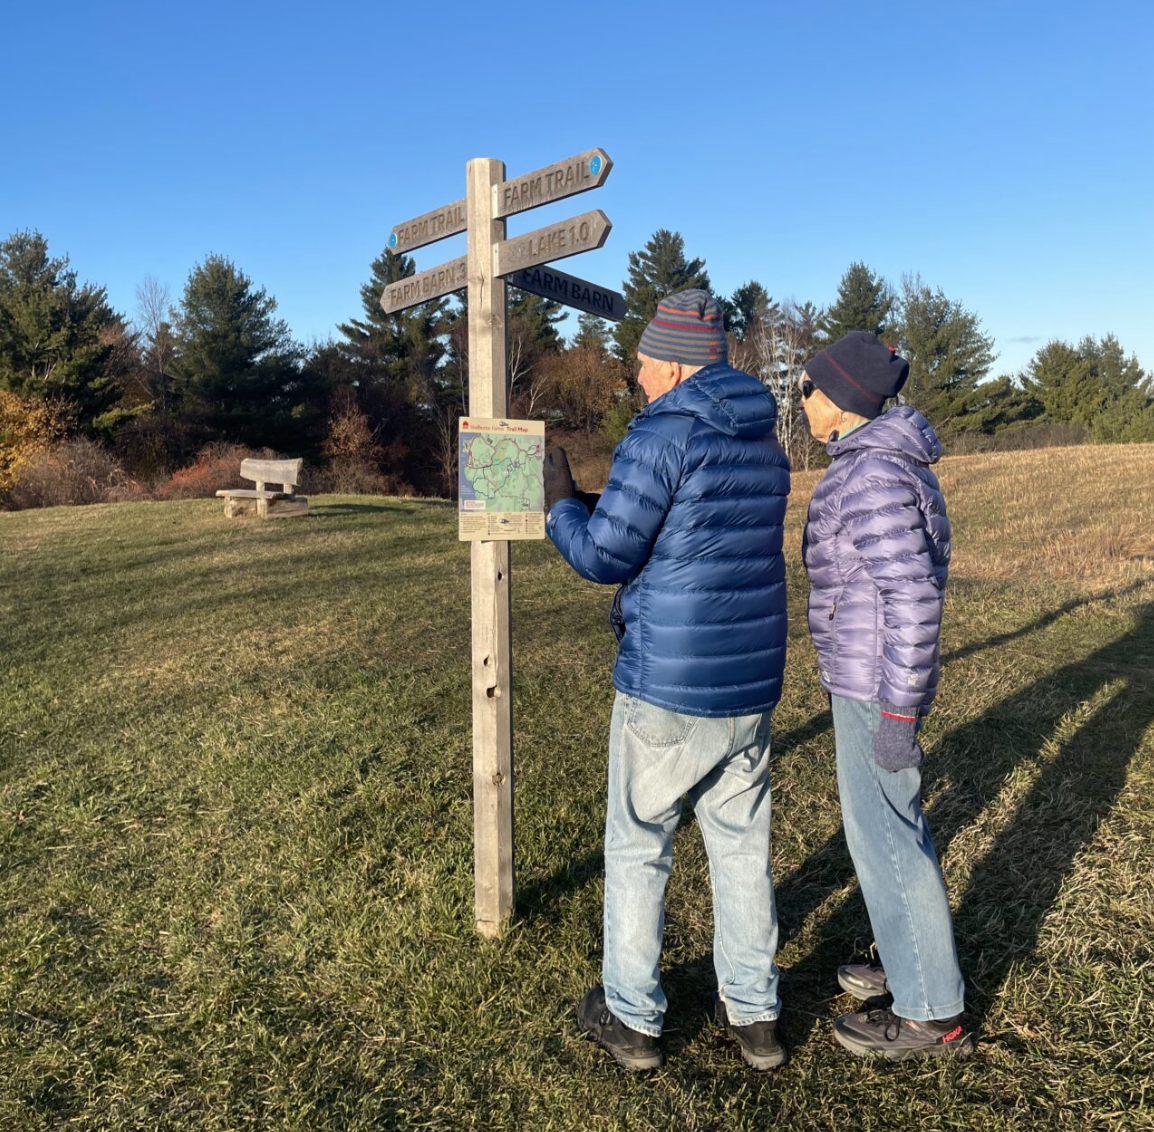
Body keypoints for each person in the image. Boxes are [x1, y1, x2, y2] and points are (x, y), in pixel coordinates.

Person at [543, 289, 791, 1071]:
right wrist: (599, 501)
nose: (637, 376)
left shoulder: (665, 430)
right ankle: (755, 1015)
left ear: (676, 362)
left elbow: (606, 557)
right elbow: (690, 530)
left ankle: (633, 1017)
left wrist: (557, 507)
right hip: (748, 680)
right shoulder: (761, 433)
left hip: (669, 683)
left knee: (640, 846)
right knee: (742, 851)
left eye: (645, 361)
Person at [798, 330, 973, 1059]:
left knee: (888, 837)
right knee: (885, 830)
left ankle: (932, 1013)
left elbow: (911, 595)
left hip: (877, 685)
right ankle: (907, 965)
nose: (800, 398)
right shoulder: (880, 464)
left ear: (837, 401)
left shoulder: (868, 476)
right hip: (870, 675)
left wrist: (898, 713)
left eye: (806, 387)